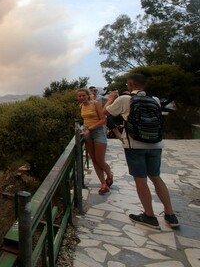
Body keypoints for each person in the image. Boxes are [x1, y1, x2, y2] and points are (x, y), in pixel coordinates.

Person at [104, 73, 179, 229]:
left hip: (135, 145)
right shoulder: (155, 100)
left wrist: (111, 98)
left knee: (140, 180)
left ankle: (150, 216)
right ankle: (170, 215)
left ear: (130, 84)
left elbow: (106, 112)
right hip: (155, 144)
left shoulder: (124, 99)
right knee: (156, 177)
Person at [76, 88, 113, 194]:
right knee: (94, 160)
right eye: (79, 96)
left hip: (98, 132)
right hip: (87, 133)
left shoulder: (95, 103)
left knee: (100, 159)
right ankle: (103, 184)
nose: (82, 98)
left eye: (83, 95)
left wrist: (90, 129)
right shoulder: (81, 106)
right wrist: (84, 129)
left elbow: (103, 120)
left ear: (88, 95)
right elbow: (85, 120)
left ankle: (110, 175)